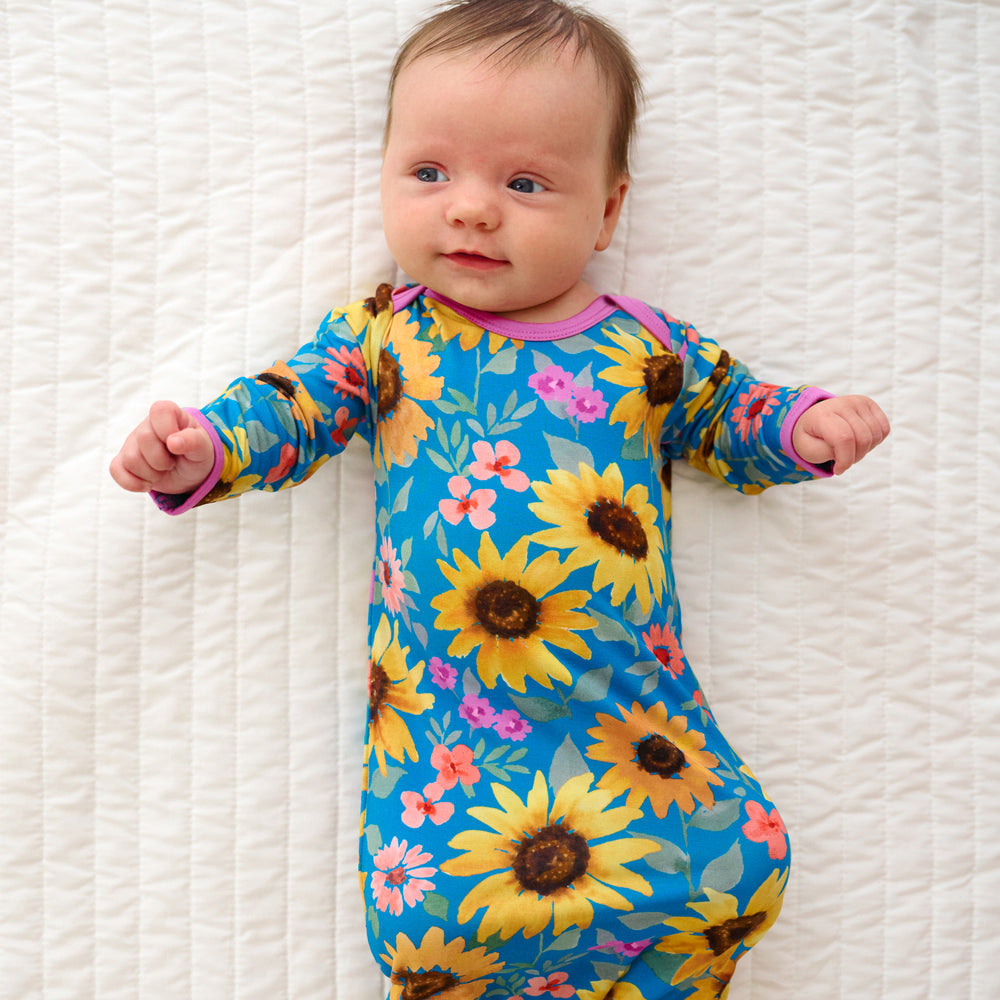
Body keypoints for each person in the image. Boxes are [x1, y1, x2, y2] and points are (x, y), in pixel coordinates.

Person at [110, 1, 890, 997]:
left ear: (607, 212)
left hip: (626, 717)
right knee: (438, 911)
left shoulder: (645, 346)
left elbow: (731, 411)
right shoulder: (384, 333)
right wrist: (200, 449)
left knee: (720, 863)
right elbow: (291, 406)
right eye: (430, 174)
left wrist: (801, 428)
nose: (471, 209)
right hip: (453, 737)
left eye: (525, 183)